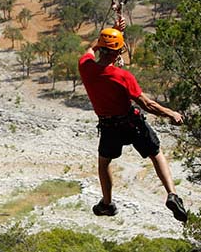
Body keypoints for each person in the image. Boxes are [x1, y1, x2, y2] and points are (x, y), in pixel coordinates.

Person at [78, 18, 188, 223]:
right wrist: (171, 113)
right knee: (155, 153)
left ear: (102, 48)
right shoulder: (122, 76)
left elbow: (89, 49)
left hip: (108, 125)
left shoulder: (85, 67)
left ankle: (107, 203)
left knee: (104, 163)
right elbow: (147, 104)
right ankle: (172, 194)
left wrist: (109, 34)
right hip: (131, 122)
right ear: (119, 52)